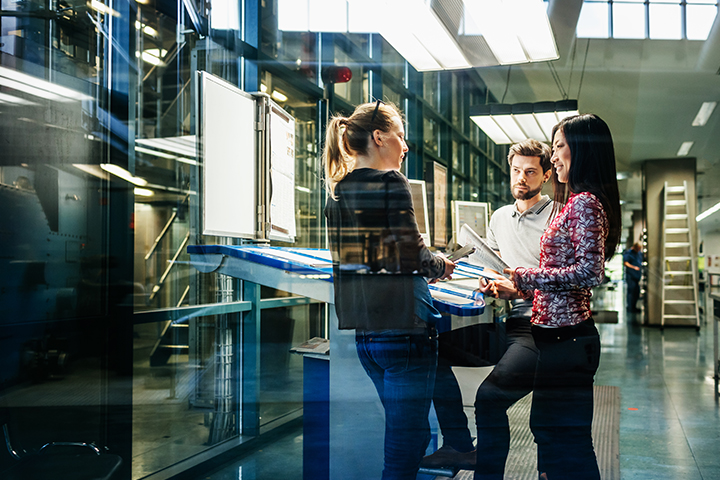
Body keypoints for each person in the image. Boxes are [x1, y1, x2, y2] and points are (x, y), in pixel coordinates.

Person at [480, 114, 621, 480]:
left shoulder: (584, 203)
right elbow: (566, 272)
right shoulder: (578, 201)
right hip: (555, 335)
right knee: (552, 435)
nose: (554, 155)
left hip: (567, 338)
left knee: (566, 442)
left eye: (559, 146)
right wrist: (523, 286)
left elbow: (590, 273)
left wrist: (525, 275)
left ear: (582, 149)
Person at [323, 100, 455, 480]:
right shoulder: (392, 182)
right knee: (405, 439)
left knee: (411, 435)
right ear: (379, 137)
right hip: (404, 328)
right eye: (401, 135)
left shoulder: (338, 192)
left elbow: (366, 259)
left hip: (368, 336)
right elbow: (410, 255)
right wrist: (439, 265)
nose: (405, 145)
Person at [422, 139, 556, 478]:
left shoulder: (557, 217)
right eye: (516, 171)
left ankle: (487, 473)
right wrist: (487, 278)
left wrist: (519, 287)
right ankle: (460, 446)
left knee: (490, 397)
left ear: (547, 175)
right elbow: (494, 265)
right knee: (431, 354)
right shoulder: (500, 217)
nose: (521, 179)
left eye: (530, 172)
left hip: (541, 329)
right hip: (510, 323)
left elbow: (564, 280)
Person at [623, 242, 643, 313]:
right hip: (631, 276)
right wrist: (634, 267)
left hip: (637, 276)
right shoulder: (629, 253)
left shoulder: (639, 254)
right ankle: (630, 307)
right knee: (631, 291)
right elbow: (625, 263)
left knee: (636, 292)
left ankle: (634, 306)